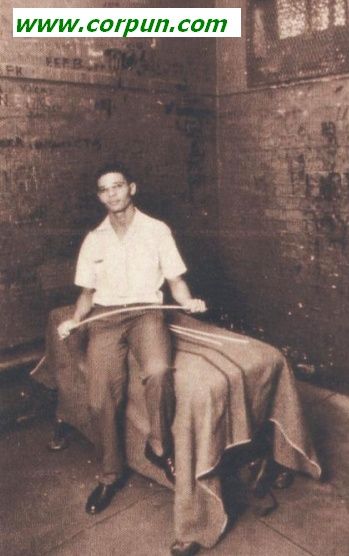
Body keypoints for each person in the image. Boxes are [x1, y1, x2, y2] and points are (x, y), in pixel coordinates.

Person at [56, 162, 207, 520]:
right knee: (99, 396)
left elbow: (175, 281)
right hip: (106, 318)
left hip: (146, 314)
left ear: (132, 188)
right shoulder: (95, 238)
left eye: (118, 186)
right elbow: (87, 292)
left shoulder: (157, 230)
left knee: (157, 370)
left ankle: (158, 446)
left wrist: (188, 300)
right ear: (100, 196)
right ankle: (111, 474)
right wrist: (75, 321)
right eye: (105, 189)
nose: (112, 194)